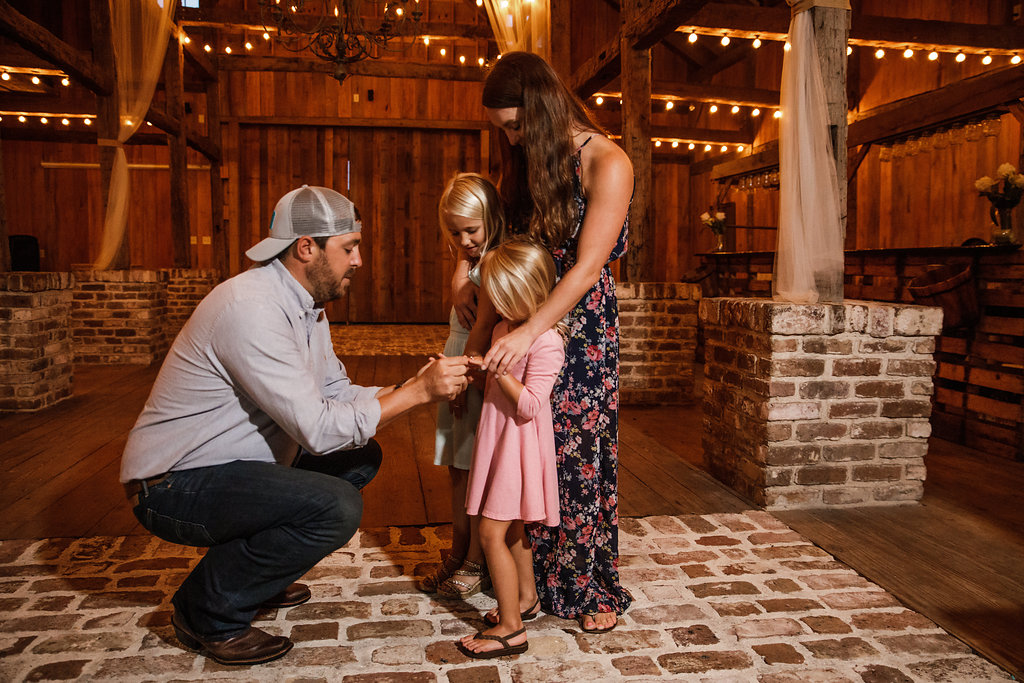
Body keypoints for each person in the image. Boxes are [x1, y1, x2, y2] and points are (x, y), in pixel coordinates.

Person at [120, 184, 470, 666]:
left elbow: (335, 394)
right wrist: (417, 394)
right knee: (336, 506)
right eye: (350, 247)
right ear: (307, 247)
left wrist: (412, 385)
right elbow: (320, 429)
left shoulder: (305, 305)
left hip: (230, 466)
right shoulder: (251, 307)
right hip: (170, 484)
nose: (359, 261)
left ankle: (255, 576)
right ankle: (206, 612)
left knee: (359, 457)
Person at [466, 51, 634, 633]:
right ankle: (528, 584)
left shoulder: (607, 161)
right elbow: (503, 247)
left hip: (579, 328)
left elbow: (588, 268)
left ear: (537, 109)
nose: (510, 139)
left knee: (579, 455)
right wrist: (484, 314)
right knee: (527, 449)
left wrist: (533, 331)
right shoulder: (529, 159)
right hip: (522, 317)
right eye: (502, 130)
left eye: (514, 125)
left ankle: (591, 587)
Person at [456, 239, 564, 659]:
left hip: (520, 449)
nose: (493, 303)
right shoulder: (502, 329)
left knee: (489, 532)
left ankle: (511, 628)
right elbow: (496, 391)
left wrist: (499, 370)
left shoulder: (546, 341)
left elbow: (531, 405)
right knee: (513, 528)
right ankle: (525, 600)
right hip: (498, 440)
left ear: (527, 292)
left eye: (500, 295)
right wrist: (477, 371)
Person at [417, 174, 505, 599]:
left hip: (474, 367)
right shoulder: (470, 260)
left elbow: (484, 327)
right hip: (457, 356)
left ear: (490, 219)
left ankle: (475, 560)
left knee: (474, 469)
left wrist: (462, 378)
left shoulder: (494, 262)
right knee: (457, 466)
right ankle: (457, 550)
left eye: (472, 229)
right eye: (454, 232)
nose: (464, 239)